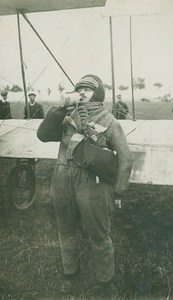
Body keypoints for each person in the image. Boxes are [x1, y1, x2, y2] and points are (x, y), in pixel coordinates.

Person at [37, 74, 133, 298]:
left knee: (99, 234)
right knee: (65, 229)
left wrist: (118, 191)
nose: (81, 92)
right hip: (62, 177)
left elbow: (126, 159)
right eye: (79, 89)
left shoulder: (109, 121)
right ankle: (70, 275)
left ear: (98, 94)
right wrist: (59, 109)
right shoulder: (66, 116)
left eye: (87, 90)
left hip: (92, 182)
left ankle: (106, 282)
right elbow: (43, 135)